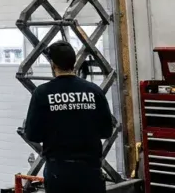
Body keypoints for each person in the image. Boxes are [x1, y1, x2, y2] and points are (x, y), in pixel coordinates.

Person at [23, 41, 114, 193]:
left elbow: (33, 135)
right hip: (90, 171)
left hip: (59, 172)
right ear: (74, 62)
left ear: (53, 64)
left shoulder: (42, 93)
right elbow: (106, 131)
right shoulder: (94, 91)